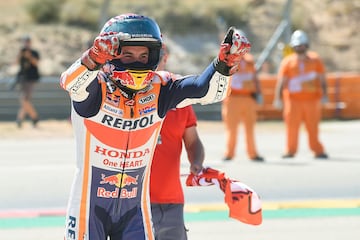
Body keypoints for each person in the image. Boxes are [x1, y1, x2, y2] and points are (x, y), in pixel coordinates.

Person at [60, 13, 250, 240]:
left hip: (135, 211)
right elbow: (69, 82)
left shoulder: (161, 89)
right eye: (127, 54)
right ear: (110, 54)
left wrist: (224, 64)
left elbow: (205, 90)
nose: (137, 61)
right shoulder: (95, 87)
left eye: (144, 55)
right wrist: (92, 59)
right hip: (89, 209)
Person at [150, 44, 204, 240]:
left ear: (166, 58)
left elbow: (193, 141)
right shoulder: (128, 96)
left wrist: (196, 162)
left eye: (159, 56)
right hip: (135, 201)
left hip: (172, 201)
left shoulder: (179, 99)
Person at [273, 29, 328, 159]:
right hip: (293, 101)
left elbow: (322, 79)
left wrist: (325, 95)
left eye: (301, 45)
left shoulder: (315, 60)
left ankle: (317, 150)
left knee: (313, 127)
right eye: (297, 46)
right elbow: (282, 81)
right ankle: (290, 150)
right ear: (293, 46)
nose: (299, 48)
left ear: (306, 45)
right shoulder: (288, 61)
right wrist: (278, 98)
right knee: (292, 127)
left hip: (312, 100)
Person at [221, 30, 264, 162]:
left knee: (250, 128)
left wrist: (258, 93)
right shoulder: (227, 59)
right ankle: (229, 153)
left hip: (248, 98)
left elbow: (254, 78)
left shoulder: (250, 60)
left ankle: (252, 153)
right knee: (232, 128)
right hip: (233, 98)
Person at [15, 35, 40, 128]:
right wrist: (20, 55)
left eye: (28, 42)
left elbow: (36, 63)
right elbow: (16, 63)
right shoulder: (21, 52)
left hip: (31, 79)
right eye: (25, 42)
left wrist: (29, 57)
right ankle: (34, 118)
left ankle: (21, 119)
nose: (26, 44)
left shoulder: (34, 52)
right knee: (25, 100)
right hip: (22, 79)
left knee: (24, 100)